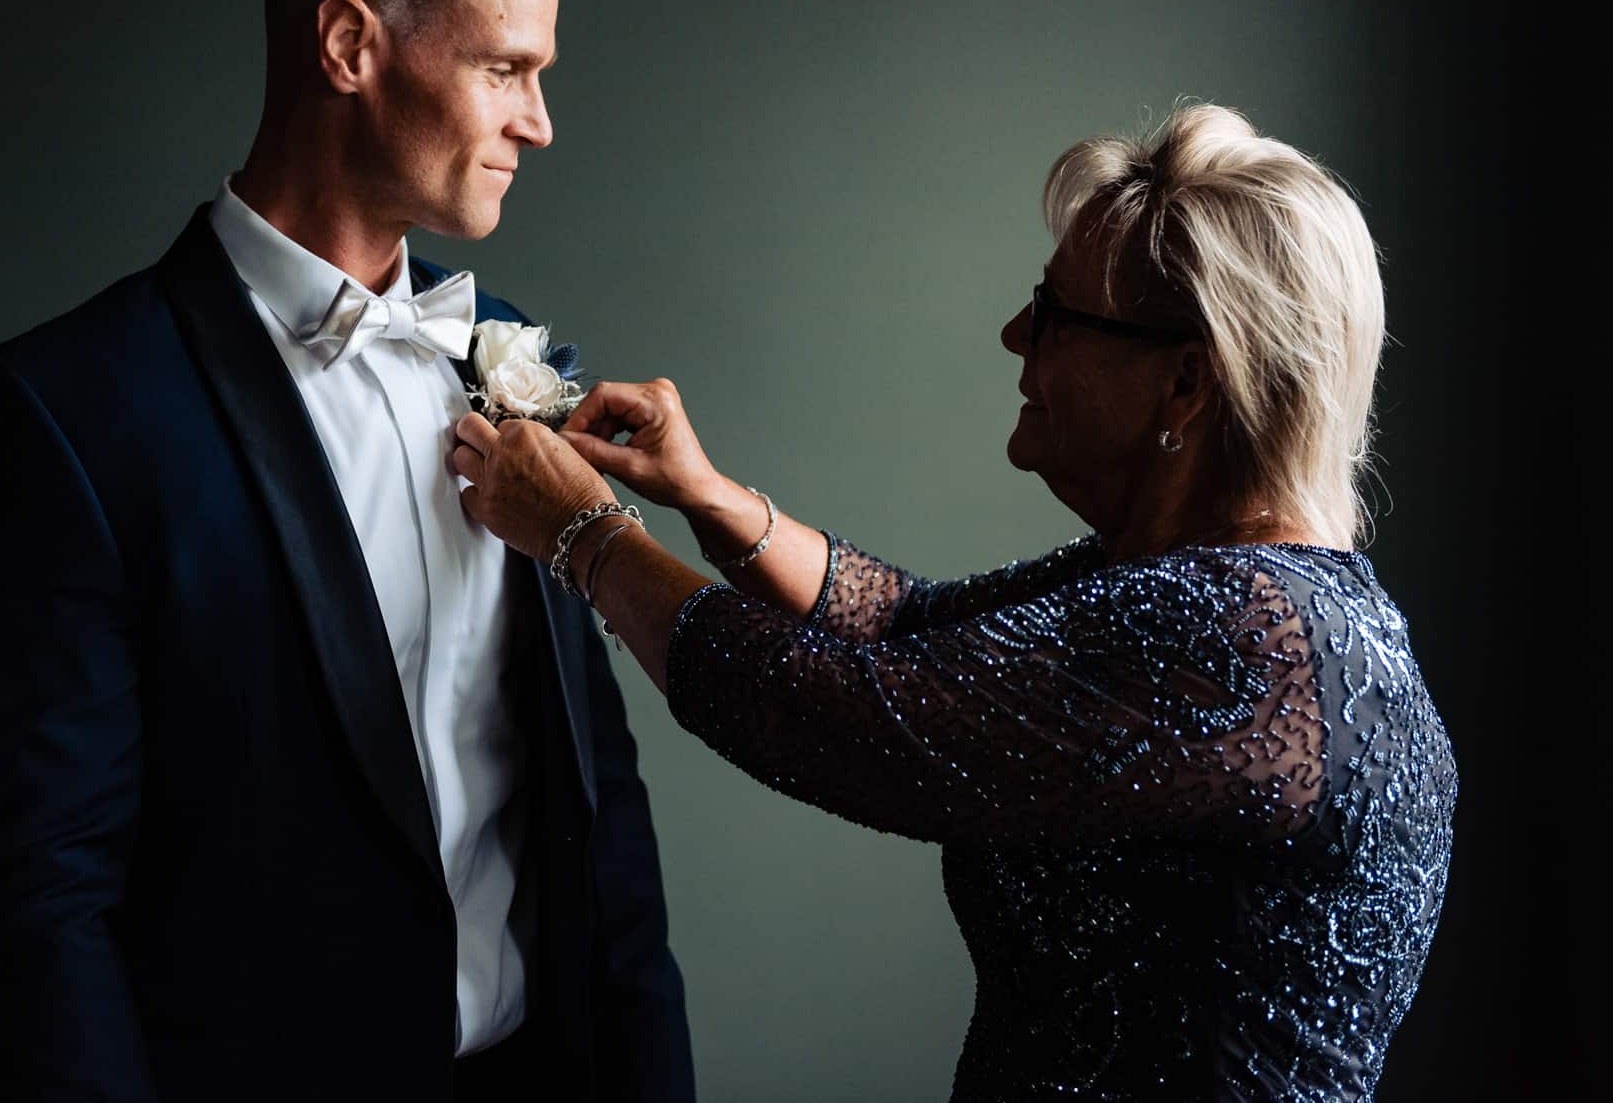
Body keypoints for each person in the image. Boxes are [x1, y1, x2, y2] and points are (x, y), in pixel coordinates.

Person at [453, 103, 1457, 1100]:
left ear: (1185, 384)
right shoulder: (1202, 587)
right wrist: (710, 498)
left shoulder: (1241, 635)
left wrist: (587, 535)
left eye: (1057, 314)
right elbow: (911, 627)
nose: (1016, 332)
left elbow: (845, 720)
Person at [0, 0, 693, 1102]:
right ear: (349, 46)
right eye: (505, 69)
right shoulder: (60, 414)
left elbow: (595, 805)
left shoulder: (518, 358)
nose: (537, 122)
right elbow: (34, 909)